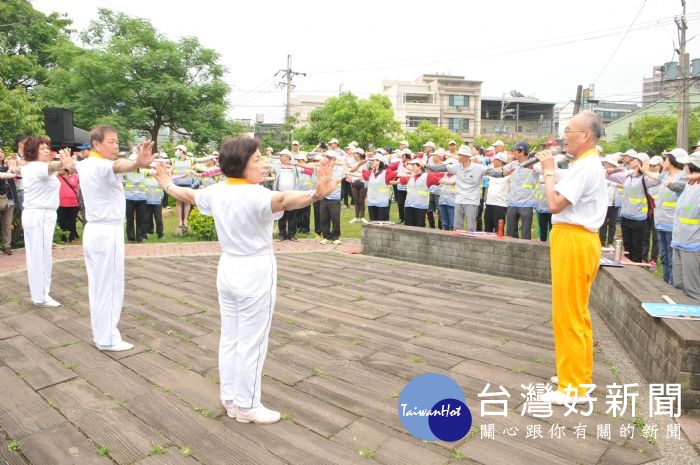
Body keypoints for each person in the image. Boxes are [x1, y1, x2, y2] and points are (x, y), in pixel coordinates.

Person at [153, 136, 335, 424]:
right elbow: (285, 200)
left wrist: (166, 184)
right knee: (252, 341)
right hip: (254, 270)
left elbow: (187, 195)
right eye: (257, 160)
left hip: (228, 269)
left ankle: (231, 398)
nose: (263, 165)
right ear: (241, 165)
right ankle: (247, 405)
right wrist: (315, 194)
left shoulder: (217, 192)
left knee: (231, 337)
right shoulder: (257, 196)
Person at [535, 111, 607, 405]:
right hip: (576, 238)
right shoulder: (583, 164)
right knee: (575, 311)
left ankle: (573, 388)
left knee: (569, 313)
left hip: (575, 239)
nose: (564, 136)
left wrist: (549, 170)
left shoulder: (586, 166)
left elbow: (554, 203)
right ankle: (576, 376)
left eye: (569, 131)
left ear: (586, 136)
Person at [76, 124, 154, 352]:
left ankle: (102, 333)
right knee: (109, 286)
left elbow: (77, 165)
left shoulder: (86, 163)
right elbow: (121, 165)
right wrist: (138, 163)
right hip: (106, 232)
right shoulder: (101, 165)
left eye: (116, 141)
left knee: (99, 286)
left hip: (96, 231)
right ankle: (107, 338)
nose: (115, 145)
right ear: (96, 144)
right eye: (110, 141)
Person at [21, 137, 74, 307]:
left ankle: (39, 295)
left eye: (47, 148)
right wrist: (63, 163)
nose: (46, 150)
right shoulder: (37, 167)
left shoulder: (32, 167)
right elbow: (52, 167)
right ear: (32, 151)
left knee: (38, 256)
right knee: (42, 256)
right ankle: (41, 297)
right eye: (42, 148)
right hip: (39, 215)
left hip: (39, 215)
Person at [640, 149, 686, 284]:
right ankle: (666, 282)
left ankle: (672, 284)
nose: (663, 161)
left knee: (672, 259)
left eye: (665, 159)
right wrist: (644, 170)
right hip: (660, 222)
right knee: (664, 257)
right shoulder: (665, 176)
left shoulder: (683, 177)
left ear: (672, 160)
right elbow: (654, 176)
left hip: (672, 224)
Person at [606, 152, 659, 263]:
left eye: (633, 159)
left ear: (640, 161)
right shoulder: (627, 175)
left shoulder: (645, 178)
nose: (630, 161)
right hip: (625, 216)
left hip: (639, 218)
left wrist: (645, 169)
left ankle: (637, 270)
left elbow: (659, 179)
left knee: (637, 247)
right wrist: (611, 171)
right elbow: (608, 176)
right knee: (627, 247)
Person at [668, 152, 700, 301]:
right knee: (679, 286)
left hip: (693, 245)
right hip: (679, 242)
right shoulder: (688, 185)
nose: (684, 167)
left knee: (693, 290)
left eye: (687, 164)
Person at [362, 154, 397, 222]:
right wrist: (347, 172)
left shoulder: (386, 172)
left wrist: (410, 175)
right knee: (373, 221)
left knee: (382, 223)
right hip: (372, 201)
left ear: (379, 162)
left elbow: (397, 174)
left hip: (382, 202)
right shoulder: (371, 173)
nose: (372, 162)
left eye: (374, 160)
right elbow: (360, 175)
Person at [0, 148, 20, 255]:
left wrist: (13, 166)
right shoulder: (5, 167)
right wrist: (6, 167)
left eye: (2, 152)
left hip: (9, 198)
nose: (1, 154)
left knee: (7, 224)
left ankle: (7, 245)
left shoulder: (9, 166)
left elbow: (19, 175)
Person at [57, 167, 81, 243]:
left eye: (60, 169)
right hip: (61, 204)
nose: (59, 170)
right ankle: (63, 238)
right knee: (62, 222)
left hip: (74, 203)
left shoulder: (75, 176)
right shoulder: (56, 178)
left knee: (72, 221)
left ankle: (72, 238)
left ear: (66, 169)